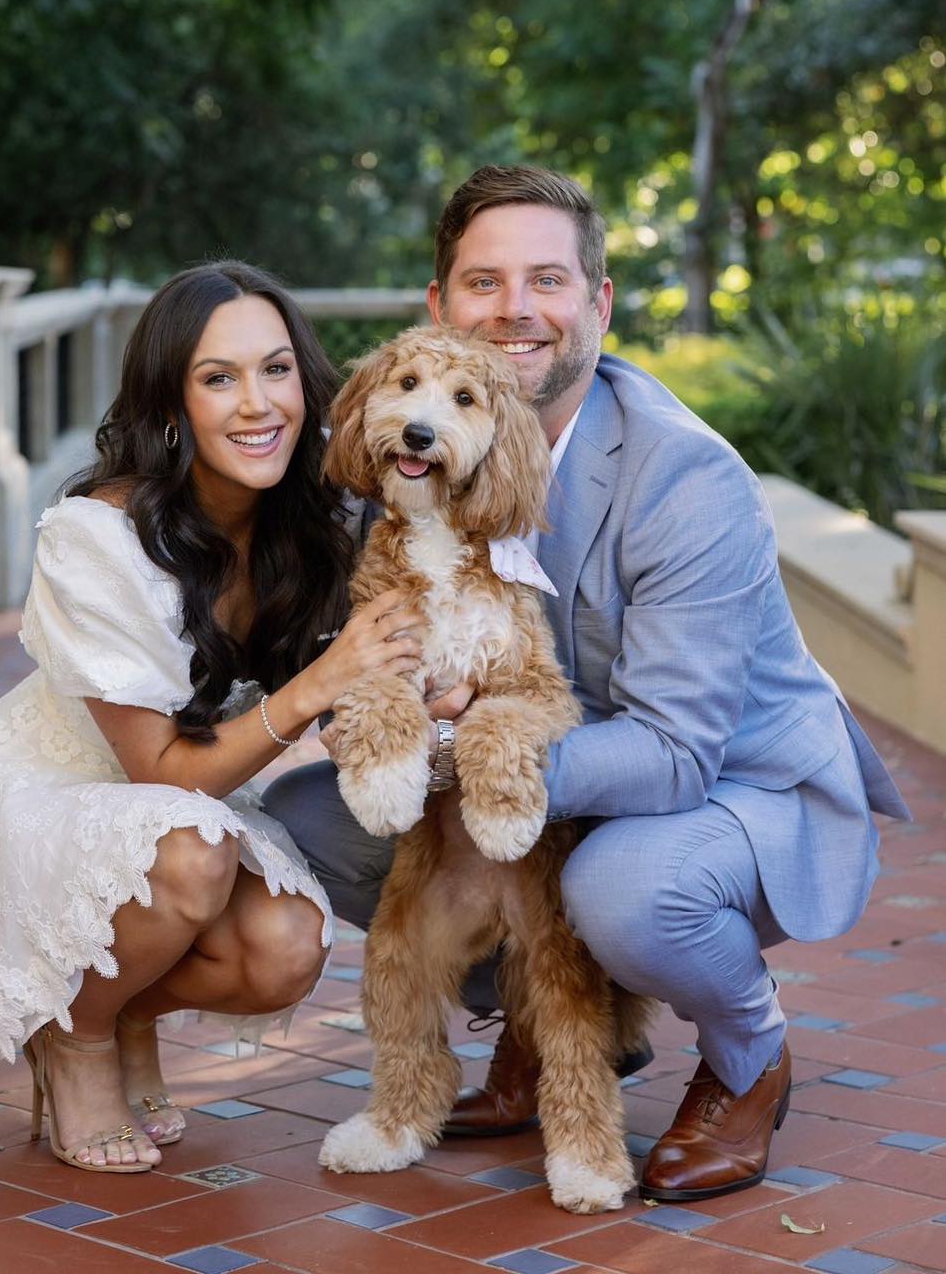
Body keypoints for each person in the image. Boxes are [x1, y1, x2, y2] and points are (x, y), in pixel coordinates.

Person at [263, 166, 910, 1202]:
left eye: (547, 280)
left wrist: (451, 747)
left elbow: (672, 752)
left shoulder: (681, 478)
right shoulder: (419, 455)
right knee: (315, 813)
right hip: (558, 769)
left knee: (619, 890)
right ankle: (539, 1022)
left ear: (597, 303)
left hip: (729, 787)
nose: (514, 308)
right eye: (482, 282)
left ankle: (749, 1052)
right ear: (438, 309)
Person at [0, 261, 425, 1175]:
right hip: (54, 792)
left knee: (283, 952)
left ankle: (123, 1007)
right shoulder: (97, 536)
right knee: (193, 847)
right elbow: (161, 774)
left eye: (275, 370)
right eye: (217, 378)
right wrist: (312, 691)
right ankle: (73, 1035)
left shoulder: (320, 517)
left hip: (189, 797)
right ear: (170, 403)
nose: (257, 404)